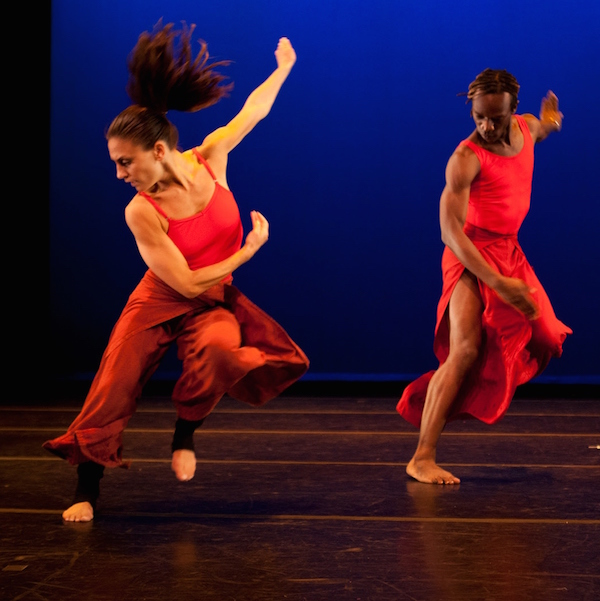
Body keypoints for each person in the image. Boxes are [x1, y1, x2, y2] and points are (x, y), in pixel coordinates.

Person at [44, 22, 309, 521]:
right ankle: (86, 487)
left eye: (126, 162)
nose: (119, 174)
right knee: (113, 383)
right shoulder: (141, 210)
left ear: (159, 152)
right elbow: (184, 282)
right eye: (116, 164)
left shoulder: (212, 157)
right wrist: (247, 252)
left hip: (212, 298)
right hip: (161, 298)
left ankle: (184, 434)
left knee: (222, 354)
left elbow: (254, 109)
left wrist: (284, 70)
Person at [396, 68, 571, 485]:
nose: (487, 127)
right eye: (479, 117)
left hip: (509, 251)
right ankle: (422, 457)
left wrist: (551, 122)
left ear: (513, 111)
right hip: (469, 257)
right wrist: (496, 282)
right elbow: (449, 232)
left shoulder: (526, 129)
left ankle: (465, 391)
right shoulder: (466, 157)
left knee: (547, 337)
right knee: (466, 349)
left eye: (496, 118)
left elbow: (540, 129)